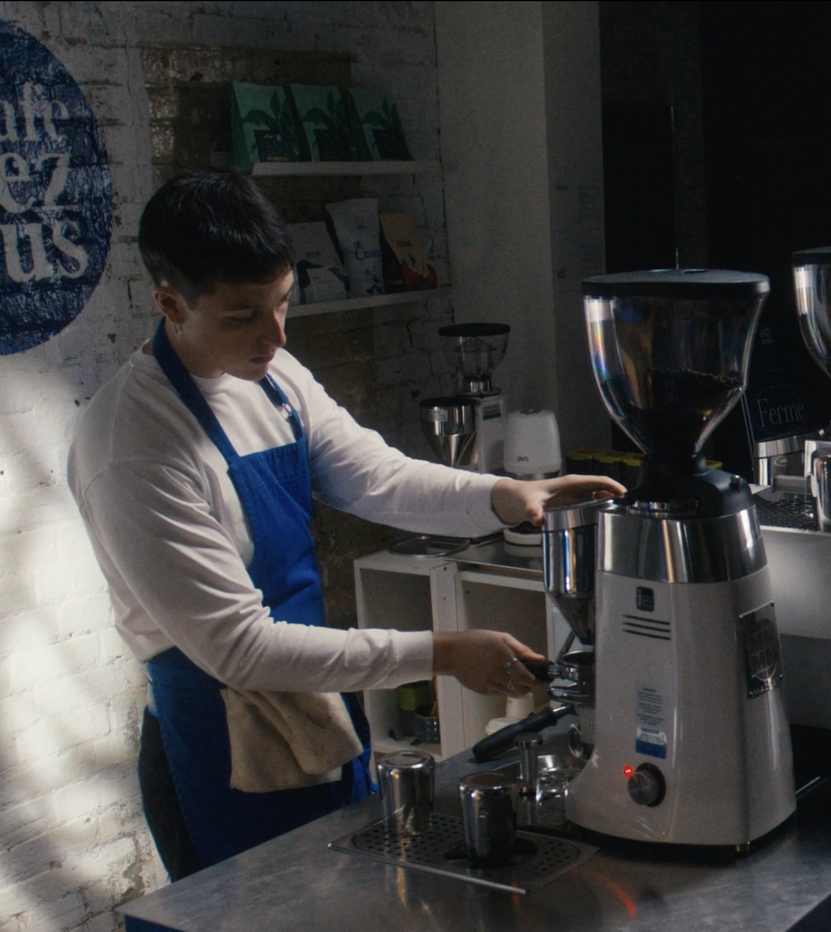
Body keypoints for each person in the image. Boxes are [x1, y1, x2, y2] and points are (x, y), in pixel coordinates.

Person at [67, 173, 620, 879]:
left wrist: (508, 496)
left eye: (283, 302)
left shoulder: (275, 379)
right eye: (243, 316)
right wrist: (444, 652)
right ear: (170, 302)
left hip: (313, 712)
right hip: (218, 742)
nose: (276, 335)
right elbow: (241, 649)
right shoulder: (133, 444)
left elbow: (376, 477)